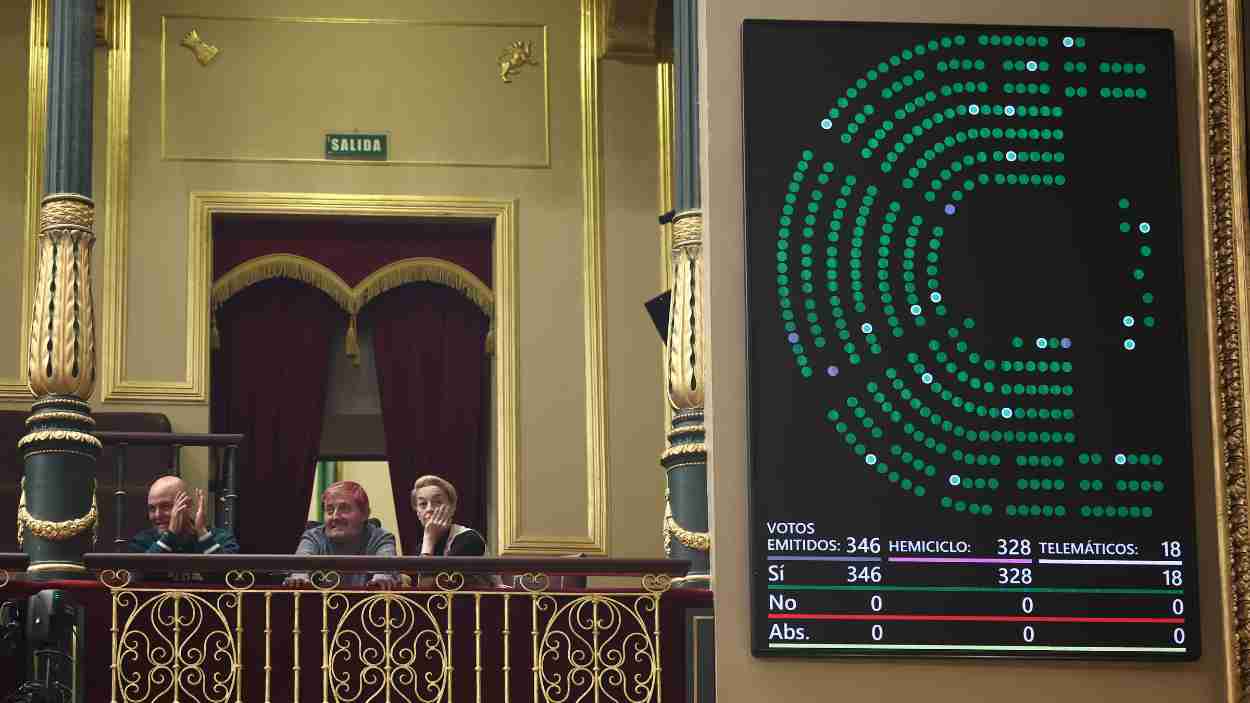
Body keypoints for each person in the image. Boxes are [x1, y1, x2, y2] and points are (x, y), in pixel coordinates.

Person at [286, 480, 398, 589]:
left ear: (365, 514)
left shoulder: (381, 538)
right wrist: (299, 576)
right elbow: (300, 567)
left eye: (344, 509)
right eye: (329, 510)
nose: (335, 517)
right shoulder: (313, 537)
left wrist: (383, 576)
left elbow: (386, 568)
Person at [128, 475, 240, 555]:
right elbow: (142, 574)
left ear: (188, 504)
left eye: (166, 506)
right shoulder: (142, 541)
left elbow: (226, 578)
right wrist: (170, 536)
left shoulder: (221, 538)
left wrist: (202, 533)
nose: (157, 515)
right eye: (152, 508)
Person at [412, 475, 486, 557]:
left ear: (452, 508)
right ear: (418, 513)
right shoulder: (422, 547)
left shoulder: (469, 539)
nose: (429, 509)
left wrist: (428, 539)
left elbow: (430, 570)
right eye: (423, 504)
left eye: (437, 502)